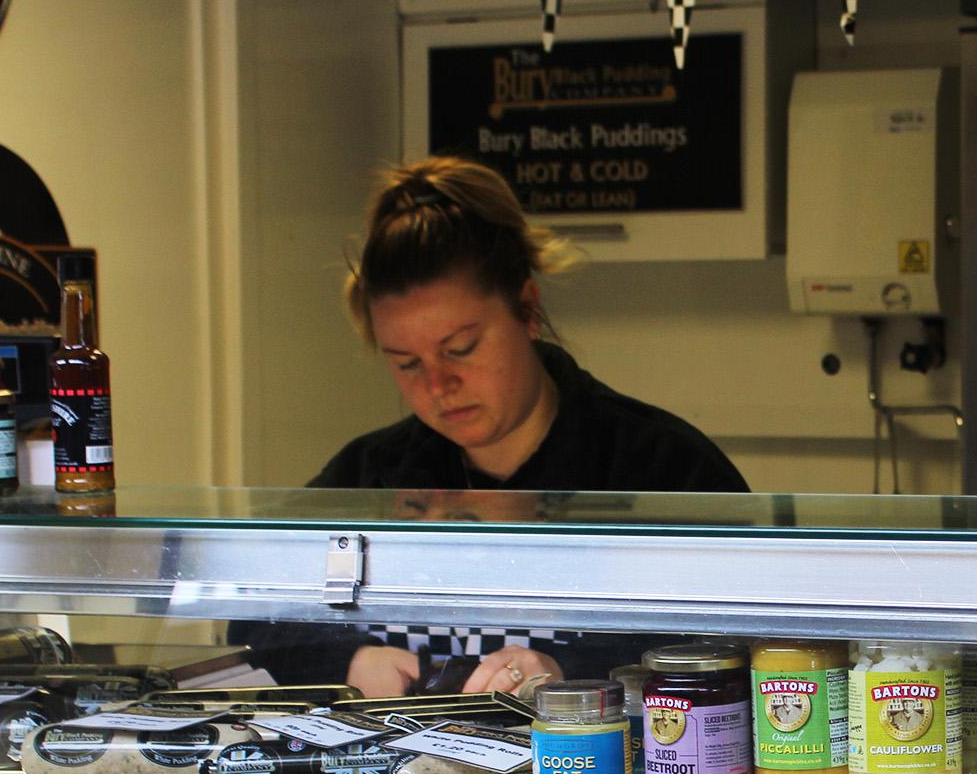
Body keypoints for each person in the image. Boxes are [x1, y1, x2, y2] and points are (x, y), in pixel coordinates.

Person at [249, 157, 747, 695]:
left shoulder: (663, 468)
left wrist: (573, 679)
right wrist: (346, 661)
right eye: (407, 363)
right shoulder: (369, 475)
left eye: (460, 348)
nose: (439, 385)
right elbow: (250, 608)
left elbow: (741, 646)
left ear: (527, 309)